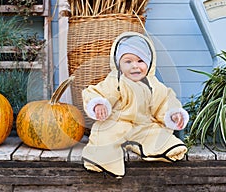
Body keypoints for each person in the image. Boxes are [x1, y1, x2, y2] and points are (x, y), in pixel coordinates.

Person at [81, 31, 189, 178]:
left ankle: (166, 149)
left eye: (140, 61)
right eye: (128, 61)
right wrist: (99, 104)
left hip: (143, 125)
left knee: (157, 135)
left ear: (149, 63)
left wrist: (173, 114)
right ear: (118, 63)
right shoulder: (116, 81)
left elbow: (165, 100)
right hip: (116, 124)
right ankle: (102, 161)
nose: (134, 66)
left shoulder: (154, 85)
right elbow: (98, 92)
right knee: (103, 137)